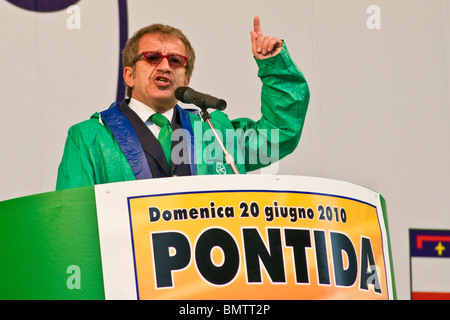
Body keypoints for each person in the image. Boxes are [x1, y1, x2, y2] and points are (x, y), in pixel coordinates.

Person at [56, 16, 310, 190]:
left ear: (186, 78)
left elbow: (278, 137)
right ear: (129, 75)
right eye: (152, 57)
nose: (165, 66)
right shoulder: (88, 137)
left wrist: (275, 67)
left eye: (176, 61)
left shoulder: (214, 131)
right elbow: (73, 220)